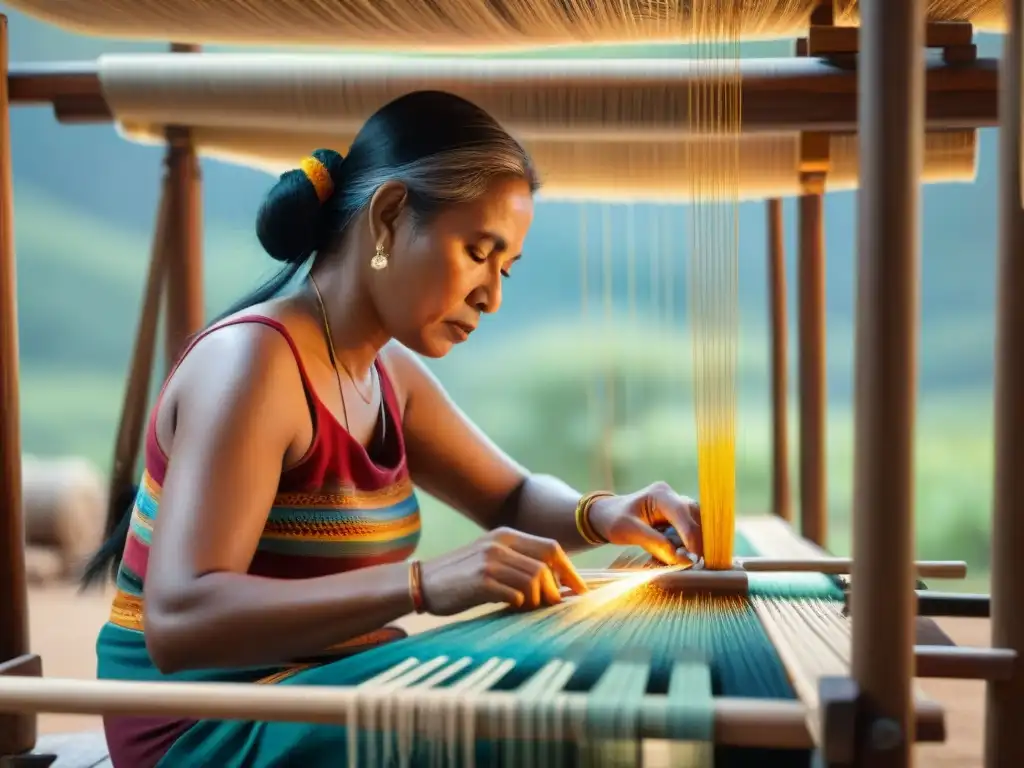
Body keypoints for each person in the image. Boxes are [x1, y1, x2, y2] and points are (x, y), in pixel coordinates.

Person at [83, 90, 703, 768]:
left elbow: (512, 497)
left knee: (579, 690)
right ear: (388, 216)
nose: (491, 296)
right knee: (526, 725)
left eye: (506, 268)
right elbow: (179, 622)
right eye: (477, 251)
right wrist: (423, 584)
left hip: (313, 694)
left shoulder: (388, 376)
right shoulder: (254, 365)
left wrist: (604, 513)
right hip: (210, 725)